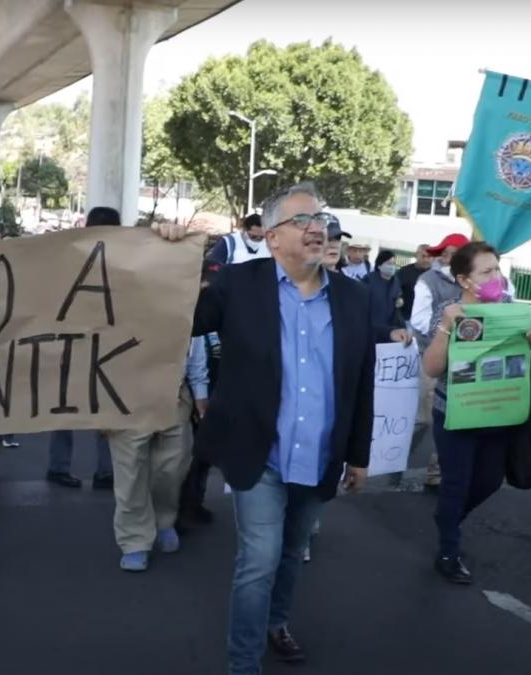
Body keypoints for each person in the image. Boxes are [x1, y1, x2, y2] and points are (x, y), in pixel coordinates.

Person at [193, 182, 373, 674]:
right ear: (272, 237)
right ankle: (243, 662)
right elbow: (180, 318)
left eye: (321, 219)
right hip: (259, 453)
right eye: (302, 221)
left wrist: (359, 454)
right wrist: (170, 253)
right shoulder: (237, 284)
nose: (318, 229)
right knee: (259, 560)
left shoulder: (356, 299)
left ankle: (277, 622)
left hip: (318, 455)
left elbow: (361, 383)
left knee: (293, 550)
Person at [421, 242, 531, 584]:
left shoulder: (510, 309)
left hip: (498, 411)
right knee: (456, 483)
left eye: (497, 269)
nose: (496, 278)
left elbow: (517, 356)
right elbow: (432, 368)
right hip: (456, 414)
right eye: (486, 272)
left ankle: (448, 519)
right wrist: (446, 327)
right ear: (464, 279)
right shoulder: (449, 310)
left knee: (489, 481)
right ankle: (448, 552)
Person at [106, 337, 208, 571]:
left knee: (173, 468)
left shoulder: (184, 300)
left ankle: (164, 520)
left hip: (174, 394)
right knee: (130, 473)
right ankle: (135, 541)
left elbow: (194, 341)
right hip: (124, 396)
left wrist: (200, 392)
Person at [45, 206, 121, 489]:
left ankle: (60, 466)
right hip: (103, 345)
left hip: (72, 344)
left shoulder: (66, 256)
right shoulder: (122, 260)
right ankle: (105, 471)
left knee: (66, 408)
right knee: (104, 407)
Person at [410, 232, 471, 490]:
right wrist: (447, 331)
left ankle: (436, 472)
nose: (449, 258)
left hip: (463, 360)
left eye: (456, 255)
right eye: (447, 253)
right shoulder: (428, 281)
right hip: (431, 355)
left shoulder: (473, 283)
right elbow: (419, 321)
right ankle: (392, 455)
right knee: (424, 419)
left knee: (449, 417)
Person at [177, 259, 224, 531]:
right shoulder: (187, 318)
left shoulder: (226, 316)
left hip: (216, 393)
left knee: (204, 453)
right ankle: (176, 509)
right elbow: (195, 364)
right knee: (183, 457)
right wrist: (198, 398)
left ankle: (194, 502)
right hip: (191, 395)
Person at [367, 249, 412, 346]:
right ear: (379, 265)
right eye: (388, 263)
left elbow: (398, 296)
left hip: (390, 326)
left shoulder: (395, 281)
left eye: (393, 263)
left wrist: (400, 300)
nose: (392, 266)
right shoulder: (368, 280)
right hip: (372, 326)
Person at [395, 244, 432, 319]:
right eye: (423, 256)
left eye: (429, 257)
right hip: (406, 318)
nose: (426, 260)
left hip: (427, 319)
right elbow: (394, 290)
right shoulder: (404, 272)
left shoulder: (435, 275)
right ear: (416, 255)